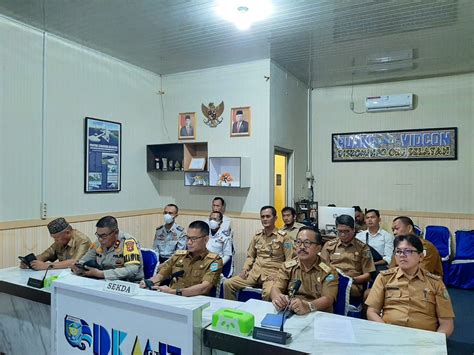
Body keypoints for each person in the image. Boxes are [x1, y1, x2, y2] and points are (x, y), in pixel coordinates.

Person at [366, 235, 454, 336]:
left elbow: (446, 323)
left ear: (421, 256)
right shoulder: (384, 278)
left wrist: (435, 341)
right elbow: (372, 312)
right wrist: (386, 331)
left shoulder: (435, 283)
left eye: (408, 251)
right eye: (398, 251)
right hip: (390, 335)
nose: (402, 255)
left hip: (423, 340)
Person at [223, 206, 294, 301]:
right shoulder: (257, 236)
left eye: (268, 216)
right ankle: (231, 310)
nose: (265, 219)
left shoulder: (284, 238)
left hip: (272, 274)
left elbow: (290, 261)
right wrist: (245, 268)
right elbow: (250, 255)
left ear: (275, 218)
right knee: (228, 283)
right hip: (255, 272)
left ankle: (264, 314)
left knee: (269, 293)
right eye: (262, 216)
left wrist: (279, 275)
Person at [140, 220, 222, 296]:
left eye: (194, 239)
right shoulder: (179, 256)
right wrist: (150, 282)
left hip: (196, 302)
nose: (189, 242)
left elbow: (205, 288)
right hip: (173, 298)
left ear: (206, 239)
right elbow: (161, 275)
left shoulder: (214, 261)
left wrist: (174, 292)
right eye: (188, 238)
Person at [271, 227, 339, 314]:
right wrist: (277, 297)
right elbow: (275, 288)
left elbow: (328, 299)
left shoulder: (328, 271)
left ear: (318, 248)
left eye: (307, 243)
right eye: (298, 242)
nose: (302, 247)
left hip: (318, 314)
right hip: (291, 312)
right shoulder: (288, 266)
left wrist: (309, 306)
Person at [72, 216, 144, 281]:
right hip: (105, 281)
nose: (100, 239)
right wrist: (78, 267)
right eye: (98, 235)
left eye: (104, 235)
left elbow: (132, 269)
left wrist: (101, 274)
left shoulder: (128, 242)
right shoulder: (98, 242)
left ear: (116, 232)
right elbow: (84, 260)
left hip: (129, 283)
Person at [320, 214, 375, 297]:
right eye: (340, 231)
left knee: (338, 288)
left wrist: (350, 280)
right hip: (331, 280)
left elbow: (367, 275)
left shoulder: (363, 248)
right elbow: (322, 266)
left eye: (346, 231)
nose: (342, 234)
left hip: (352, 284)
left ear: (353, 229)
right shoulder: (329, 245)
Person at [20, 217, 91, 270]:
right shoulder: (60, 241)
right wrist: (31, 262)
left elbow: (75, 262)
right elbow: (46, 254)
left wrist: (46, 266)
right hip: (63, 275)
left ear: (68, 232)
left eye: (57, 238)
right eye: (54, 238)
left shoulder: (83, 240)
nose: (55, 241)